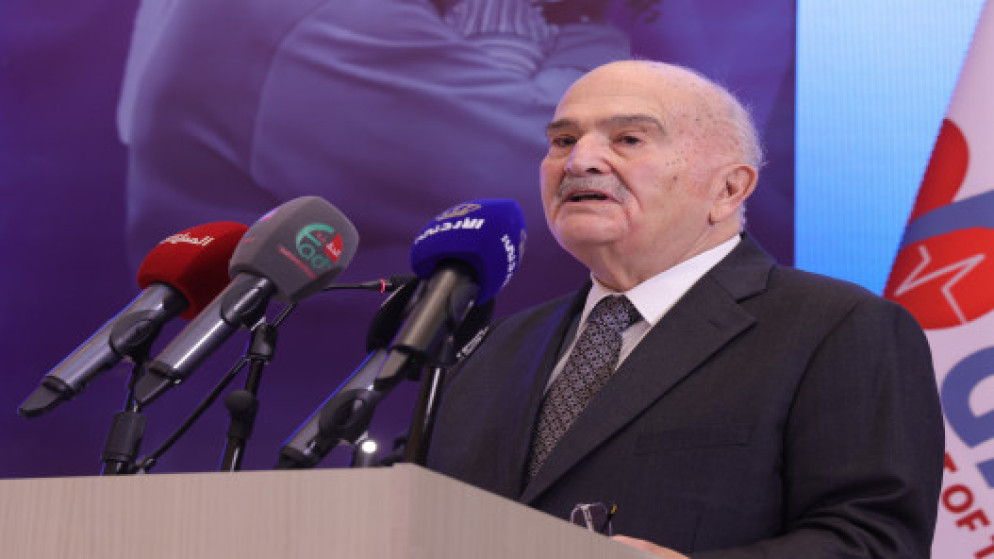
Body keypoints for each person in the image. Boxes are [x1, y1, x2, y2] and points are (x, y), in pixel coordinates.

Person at [425, 60, 944, 558]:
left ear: (729, 188)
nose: (579, 161)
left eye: (628, 139)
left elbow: (877, 543)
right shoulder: (490, 349)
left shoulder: (838, 327)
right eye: (563, 141)